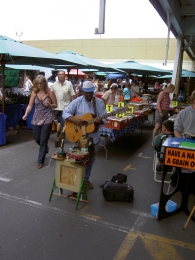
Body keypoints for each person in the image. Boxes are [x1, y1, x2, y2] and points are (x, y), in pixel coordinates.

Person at [63, 81, 106, 189]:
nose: (87, 95)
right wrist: (76, 121)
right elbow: (65, 113)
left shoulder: (99, 103)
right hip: (80, 137)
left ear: (93, 92)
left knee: (90, 159)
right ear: (82, 92)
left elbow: (103, 120)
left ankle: (85, 179)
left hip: (93, 137)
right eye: (85, 93)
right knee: (78, 158)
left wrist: (97, 121)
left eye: (89, 93)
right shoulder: (77, 101)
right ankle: (76, 179)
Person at [22, 75, 57, 169]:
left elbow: (55, 105)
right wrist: (26, 114)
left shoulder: (50, 92)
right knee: (36, 137)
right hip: (37, 117)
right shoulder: (34, 92)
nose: (40, 85)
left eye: (41, 83)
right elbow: (30, 105)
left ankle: (40, 161)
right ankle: (45, 148)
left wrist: (49, 105)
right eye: (38, 83)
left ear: (44, 83)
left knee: (43, 140)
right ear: (35, 84)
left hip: (47, 117)